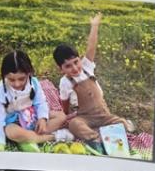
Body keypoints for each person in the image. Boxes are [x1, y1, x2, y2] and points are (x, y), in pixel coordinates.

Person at [55, 14, 134, 150]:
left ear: (80, 59)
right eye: (68, 66)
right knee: (74, 125)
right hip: (85, 117)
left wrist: (95, 25)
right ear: (61, 69)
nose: (75, 68)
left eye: (76, 62)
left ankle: (118, 128)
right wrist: (66, 115)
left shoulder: (87, 66)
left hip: (104, 115)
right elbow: (65, 101)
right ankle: (96, 139)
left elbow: (91, 46)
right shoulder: (65, 82)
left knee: (120, 122)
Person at [0, 49, 65, 152]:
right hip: (14, 122)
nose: (17, 84)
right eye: (11, 80)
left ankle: (27, 138)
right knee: (11, 132)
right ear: (4, 76)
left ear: (29, 73)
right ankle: (50, 137)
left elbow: (41, 103)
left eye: (21, 79)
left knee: (61, 116)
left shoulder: (34, 83)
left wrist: (42, 119)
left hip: (31, 116)